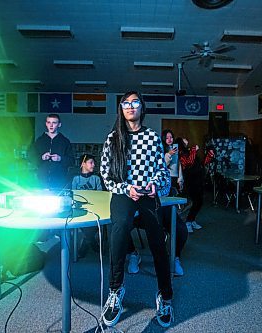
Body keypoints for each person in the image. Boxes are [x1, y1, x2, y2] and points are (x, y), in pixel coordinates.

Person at [100, 91, 173, 327]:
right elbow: (106, 175)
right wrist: (126, 187)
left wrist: (155, 186)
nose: (130, 107)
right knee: (119, 229)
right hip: (124, 191)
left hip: (147, 192)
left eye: (135, 103)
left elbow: (163, 173)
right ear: (121, 109)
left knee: (157, 239)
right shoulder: (113, 138)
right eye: (125, 103)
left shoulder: (152, 137)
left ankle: (165, 295)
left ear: (142, 108)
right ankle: (115, 291)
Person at [175, 137, 215, 233]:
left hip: (199, 179)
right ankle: (188, 221)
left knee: (200, 201)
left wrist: (209, 155)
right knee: (195, 201)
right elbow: (188, 163)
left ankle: (192, 220)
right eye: (184, 139)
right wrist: (193, 150)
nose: (186, 139)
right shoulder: (180, 153)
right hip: (191, 181)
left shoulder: (189, 151)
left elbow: (202, 163)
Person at [30, 113, 74, 189]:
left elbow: (71, 161)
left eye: (54, 123)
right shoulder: (39, 141)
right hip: (42, 180)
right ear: (46, 124)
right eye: (49, 122)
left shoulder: (65, 141)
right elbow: (31, 158)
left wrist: (60, 159)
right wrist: (42, 157)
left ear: (59, 125)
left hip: (59, 181)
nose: (51, 125)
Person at [71, 153, 103, 256]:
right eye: (91, 162)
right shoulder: (76, 179)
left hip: (95, 207)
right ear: (83, 164)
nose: (93, 165)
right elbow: (74, 195)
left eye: (94, 163)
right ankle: (91, 240)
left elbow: (100, 195)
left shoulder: (96, 178)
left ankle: (86, 241)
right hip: (81, 208)